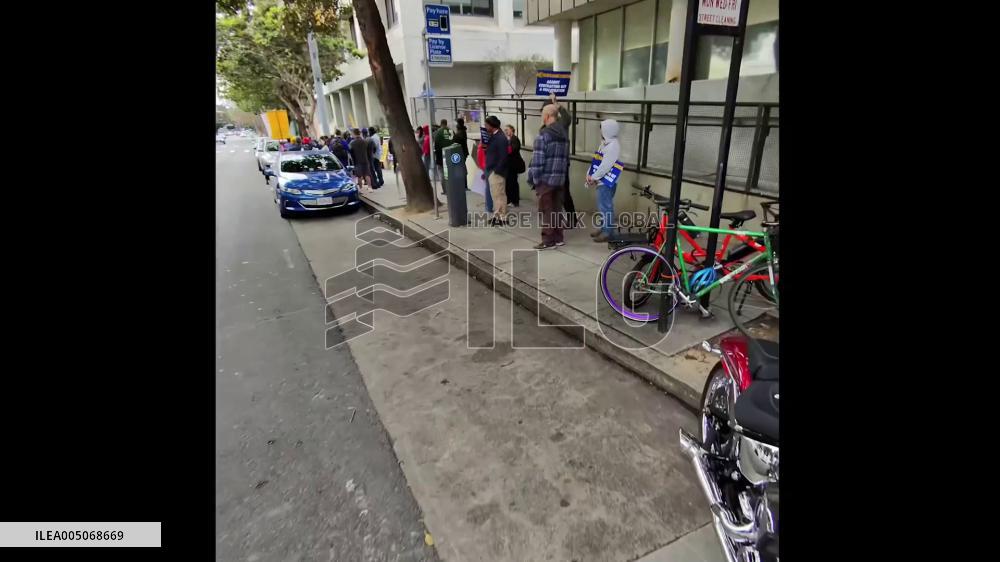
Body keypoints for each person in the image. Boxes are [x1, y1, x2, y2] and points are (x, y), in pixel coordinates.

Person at [527, 101, 570, 249]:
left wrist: (534, 179)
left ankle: (548, 241)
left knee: (546, 211)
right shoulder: (564, 135)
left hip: (545, 180)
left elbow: (537, 162)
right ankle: (558, 238)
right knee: (557, 210)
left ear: (546, 116)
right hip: (559, 179)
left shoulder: (542, 136)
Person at [587, 119, 621, 243]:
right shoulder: (605, 143)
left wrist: (594, 177)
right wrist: (589, 174)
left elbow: (606, 165)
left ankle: (608, 232)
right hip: (601, 180)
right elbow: (597, 160)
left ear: (608, 130)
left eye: (602, 128)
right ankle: (603, 228)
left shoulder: (613, 145)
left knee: (606, 206)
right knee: (603, 206)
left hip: (607, 181)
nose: (600, 130)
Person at [546, 93, 577, 227]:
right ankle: (558, 221)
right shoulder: (546, 128)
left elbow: (567, 118)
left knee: (564, 193)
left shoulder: (560, 126)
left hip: (561, 165)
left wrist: (557, 105)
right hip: (550, 166)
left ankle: (572, 219)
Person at [483, 116, 510, 226]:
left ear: (491, 125)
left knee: (499, 194)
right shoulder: (494, 136)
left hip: (497, 171)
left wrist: (496, 170)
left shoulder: (500, 138)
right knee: (495, 195)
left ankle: (502, 218)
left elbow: (504, 156)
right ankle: (497, 215)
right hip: (492, 169)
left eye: (486, 125)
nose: (485, 127)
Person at [504, 125, 523, 208]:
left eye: (507, 130)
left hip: (513, 165)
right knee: (509, 183)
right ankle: (510, 200)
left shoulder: (514, 139)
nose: (506, 131)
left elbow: (513, 150)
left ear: (512, 130)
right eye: (505, 130)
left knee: (512, 183)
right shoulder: (510, 139)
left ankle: (514, 201)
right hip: (509, 165)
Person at [349, 128, 374, 192]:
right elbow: (369, 151)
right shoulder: (365, 141)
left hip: (357, 161)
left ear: (354, 134)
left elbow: (351, 153)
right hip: (365, 160)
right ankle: (370, 187)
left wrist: (353, 161)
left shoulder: (352, 143)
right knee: (367, 174)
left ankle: (361, 188)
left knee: (359, 176)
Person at [432, 119, 452, 195]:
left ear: (440, 124)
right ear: (446, 124)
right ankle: (451, 188)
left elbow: (434, 144)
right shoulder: (451, 131)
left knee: (441, 173)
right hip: (450, 154)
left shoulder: (436, 133)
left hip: (440, 155)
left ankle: (445, 190)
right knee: (449, 172)